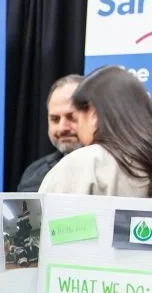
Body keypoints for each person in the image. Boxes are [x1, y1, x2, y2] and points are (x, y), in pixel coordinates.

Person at [40, 66, 152, 197]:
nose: (75, 127)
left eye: (75, 118)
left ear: (93, 114)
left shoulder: (83, 163)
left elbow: (43, 215)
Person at [17, 75, 83, 192]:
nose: (62, 128)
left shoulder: (111, 169)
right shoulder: (34, 174)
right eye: (55, 119)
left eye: (71, 117)